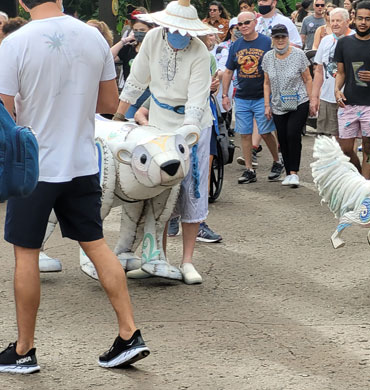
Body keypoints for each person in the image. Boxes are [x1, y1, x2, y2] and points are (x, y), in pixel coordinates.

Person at [0, 0, 149, 373]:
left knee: (26, 252)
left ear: (22, 2)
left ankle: (24, 349)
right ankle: (129, 334)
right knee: (96, 244)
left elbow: (5, 113)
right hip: (82, 160)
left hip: (36, 164)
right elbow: (109, 102)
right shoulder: (93, 37)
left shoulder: (15, 43)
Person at [114, 0, 216, 284]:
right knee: (155, 189)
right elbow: (136, 80)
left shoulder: (199, 50)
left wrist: (185, 140)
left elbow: (197, 101)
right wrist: (119, 116)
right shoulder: (152, 42)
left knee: (191, 189)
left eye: (185, 31)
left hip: (192, 127)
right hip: (158, 122)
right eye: (174, 29)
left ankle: (187, 261)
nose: (178, 35)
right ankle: (156, 255)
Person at [223, 11, 283, 184]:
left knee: (265, 131)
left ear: (255, 22)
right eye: (239, 24)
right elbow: (228, 71)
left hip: (262, 95)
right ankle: (249, 169)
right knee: (245, 133)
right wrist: (225, 95)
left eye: (247, 22)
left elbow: (276, 67)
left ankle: (277, 161)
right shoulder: (236, 45)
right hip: (242, 95)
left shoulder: (266, 42)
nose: (243, 27)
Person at [334, 1, 370, 179]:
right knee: (345, 149)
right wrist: (337, 90)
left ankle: (366, 185)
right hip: (348, 103)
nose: (363, 22)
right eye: (360, 18)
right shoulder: (343, 43)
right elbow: (341, 73)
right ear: (354, 18)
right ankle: (359, 176)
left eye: (367, 19)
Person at [262, 24, 313, 187]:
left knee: (292, 134)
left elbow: (308, 78)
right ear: (273, 39)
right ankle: (288, 171)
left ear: (288, 38)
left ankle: (294, 172)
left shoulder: (298, 55)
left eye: (283, 37)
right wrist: (266, 105)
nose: (280, 40)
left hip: (299, 100)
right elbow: (266, 83)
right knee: (282, 138)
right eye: (277, 37)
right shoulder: (268, 57)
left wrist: (312, 100)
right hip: (278, 103)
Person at [311, 8, 354, 136]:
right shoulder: (326, 40)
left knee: (345, 140)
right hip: (326, 97)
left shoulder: (355, 39)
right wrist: (314, 97)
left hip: (348, 97)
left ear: (347, 21)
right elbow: (319, 70)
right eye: (332, 20)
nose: (334, 23)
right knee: (325, 138)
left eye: (338, 21)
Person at [110, 10, 155, 118]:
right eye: (136, 30)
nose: (139, 32)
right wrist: (125, 40)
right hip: (130, 95)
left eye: (142, 30)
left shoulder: (155, 50)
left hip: (149, 94)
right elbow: (108, 58)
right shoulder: (129, 48)